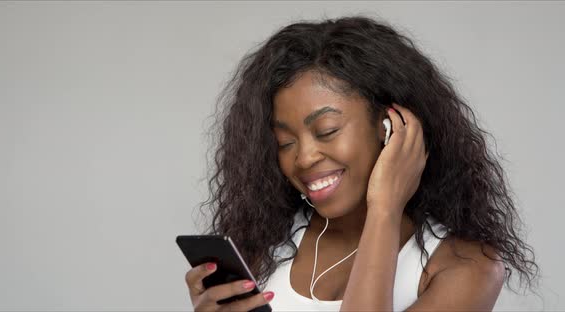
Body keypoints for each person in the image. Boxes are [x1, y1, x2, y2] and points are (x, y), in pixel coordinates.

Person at [184, 15, 539, 311]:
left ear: (388, 127)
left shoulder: (464, 267)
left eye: (327, 130)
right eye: (285, 142)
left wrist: (385, 209)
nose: (304, 157)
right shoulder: (266, 248)